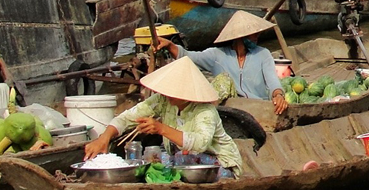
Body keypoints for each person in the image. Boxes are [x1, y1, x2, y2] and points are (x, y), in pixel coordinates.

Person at [83, 57, 244, 175]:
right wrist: (104, 138)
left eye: (174, 91)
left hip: (218, 163)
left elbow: (199, 143)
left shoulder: (205, 111)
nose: (167, 94)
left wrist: (161, 128)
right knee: (148, 167)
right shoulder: (163, 100)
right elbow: (126, 118)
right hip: (182, 160)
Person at [156, 11, 288, 114]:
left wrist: (278, 95)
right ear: (240, 37)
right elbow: (188, 56)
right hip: (230, 109)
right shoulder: (217, 55)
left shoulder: (263, 54)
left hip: (258, 107)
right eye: (253, 34)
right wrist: (169, 46)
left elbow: (273, 82)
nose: (257, 37)